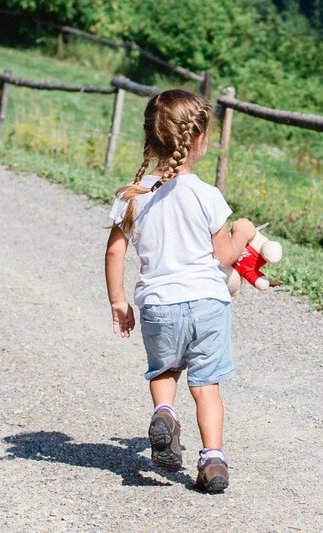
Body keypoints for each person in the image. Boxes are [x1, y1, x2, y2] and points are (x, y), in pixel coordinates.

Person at [104, 89, 255, 493]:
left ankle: (165, 412)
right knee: (206, 385)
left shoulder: (132, 197)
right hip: (207, 303)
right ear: (199, 140)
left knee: (165, 370)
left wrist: (119, 299)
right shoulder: (208, 195)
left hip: (159, 305)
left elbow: (115, 250)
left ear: (149, 139)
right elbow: (224, 254)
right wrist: (243, 232)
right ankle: (212, 459)